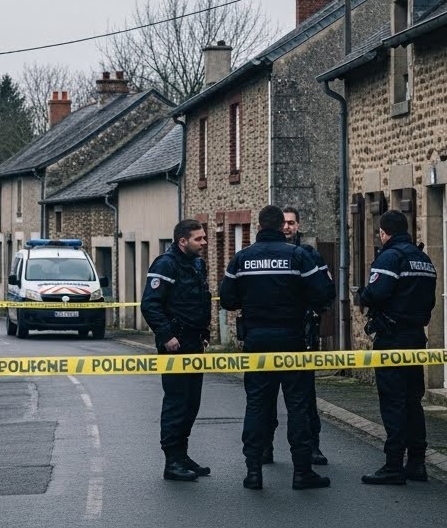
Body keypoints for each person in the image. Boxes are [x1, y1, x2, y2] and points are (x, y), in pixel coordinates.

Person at [220, 205, 333, 490]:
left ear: (259, 226)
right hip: (291, 339)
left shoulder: (242, 258)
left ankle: (254, 470)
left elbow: (227, 300)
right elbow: (322, 293)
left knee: (257, 404)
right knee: (297, 405)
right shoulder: (298, 256)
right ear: (281, 225)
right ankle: (302, 471)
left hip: (256, 340)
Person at [358, 210, 437, 485]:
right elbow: (430, 302)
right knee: (413, 401)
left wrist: (363, 294)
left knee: (393, 401)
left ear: (383, 232)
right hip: (416, 337)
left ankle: (393, 464)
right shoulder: (423, 259)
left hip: (393, 338)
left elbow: (376, 293)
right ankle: (416, 462)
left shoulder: (390, 257)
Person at [140, 218, 213, 482]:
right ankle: (171, 461)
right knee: (176, 402)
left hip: (194, 342)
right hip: (175, 344)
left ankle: (182, 455)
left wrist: (204, 333)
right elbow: (150, 304)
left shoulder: (197, 264)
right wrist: (166, 335)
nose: (204, 243)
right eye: (199, 239)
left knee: (192, 402)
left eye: (204, 237)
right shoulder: (165, 264)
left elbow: (202, 299)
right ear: (182, 241)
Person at [257, 207, 330, 466]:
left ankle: (312, 447)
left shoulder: (309, 255)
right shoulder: (259, 255)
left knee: (304, 398)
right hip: (276, 335)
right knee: (265, 399)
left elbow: (325, 292)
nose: (287, 227)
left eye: (292, 223)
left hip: (302, 333)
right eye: (284, 223)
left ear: (298, 225)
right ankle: (265, 447)